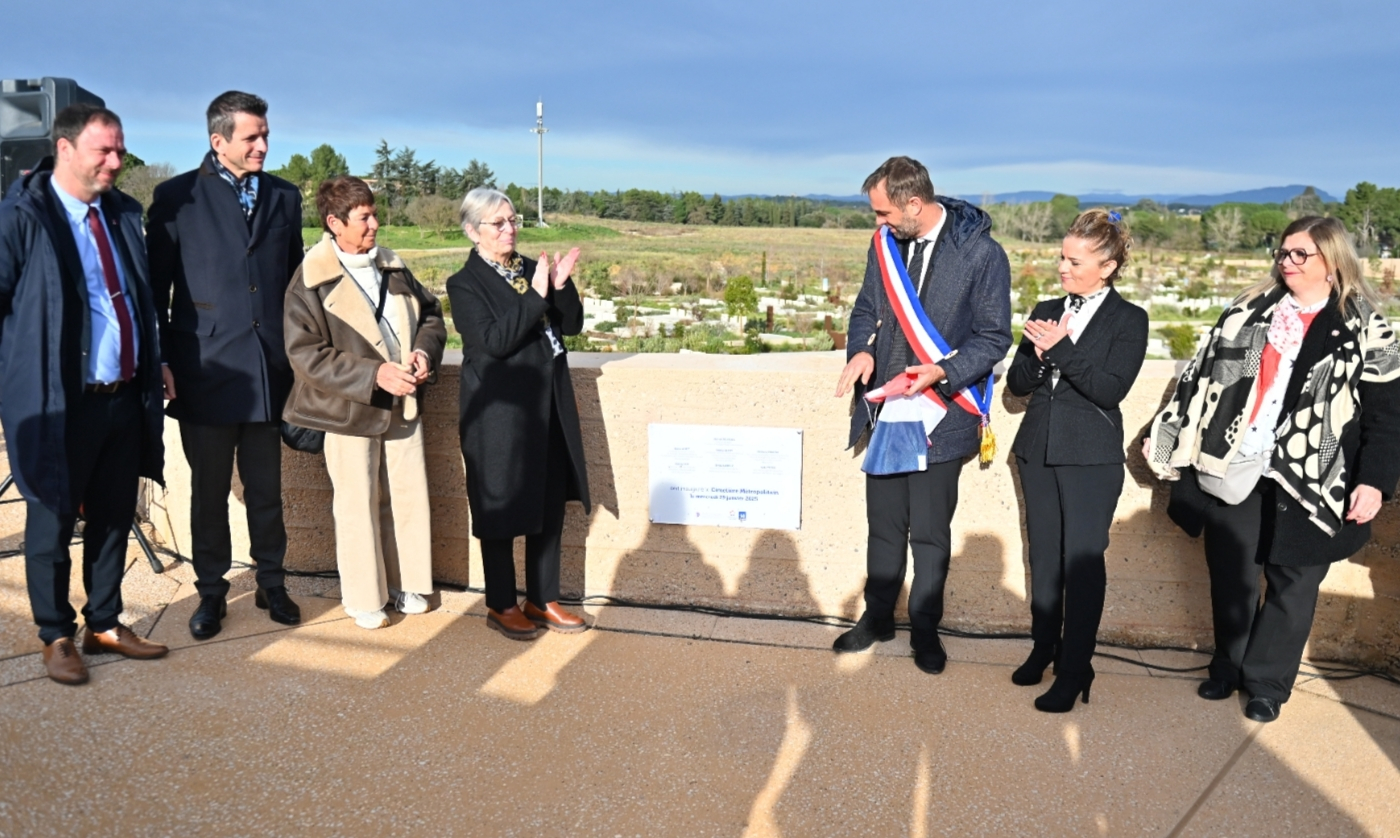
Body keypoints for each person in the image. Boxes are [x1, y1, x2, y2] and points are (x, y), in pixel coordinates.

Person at [1144, 216, 1400, 723]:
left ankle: (1266, 685)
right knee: (1232, 575)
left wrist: (1373, 481)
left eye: (1300, 254)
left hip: (1314, 479)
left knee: (1294, 584)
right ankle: (1228, 668)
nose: (1287, 261)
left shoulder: (1368, 326)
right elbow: (1197, 380)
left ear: (1332, 262)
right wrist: (1172, 437)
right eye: (1283, 252)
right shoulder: (1246, 311)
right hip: (1234, 463)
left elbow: (1386, 415)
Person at [0, 104, 169, 684]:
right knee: (49, 522)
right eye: (105, 151)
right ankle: (55, 635)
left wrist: (157, 360)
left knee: (114, 516)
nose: (117, 163)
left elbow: (141, 300)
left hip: (123, 393)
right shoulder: (22, 216)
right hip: (56, 402)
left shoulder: (123, 213)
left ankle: (104, 621)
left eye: (121, 150)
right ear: (65, 148)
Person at [833, 157, 1012, 674]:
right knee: (883, 526)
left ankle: (927, 629)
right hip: (889, 409)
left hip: (943, 411)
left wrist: (940, 372)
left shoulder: (981, 254)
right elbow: (866, 308)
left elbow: (994, 337)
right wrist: (861, 352)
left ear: (915, 203)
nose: (878, 223)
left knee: (929, 533)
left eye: (885, 213)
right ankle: (878, 616)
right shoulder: (885, 246)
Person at [147, 91, 306, 639]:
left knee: (266, 490)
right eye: (252, 137)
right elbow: (154, 289)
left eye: (265, 135)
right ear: (219, 141)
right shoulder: (176, 198)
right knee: (209, 493)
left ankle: (272, 584)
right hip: (204, 370)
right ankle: (211, 594)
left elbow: (295, 284)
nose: (263, 145)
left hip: (268, 372)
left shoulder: (286, 197)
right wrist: (161, 360)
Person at [283, 176, 446, 629]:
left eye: (374, 213)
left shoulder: (393, 265)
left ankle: (410, 583)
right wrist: (374, 374)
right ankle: (364, 598)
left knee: (409, 496)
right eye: (364, 217)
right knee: (356, 504)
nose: (375, 224)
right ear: (335, 223)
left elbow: (432, 317)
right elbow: (305, 355)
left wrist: (423, 353)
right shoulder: (309, 280)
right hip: (348, 409)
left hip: (405, 401)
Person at [1005, 209, 1148, 712]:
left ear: (1107, 266)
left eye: (1074, 260)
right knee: (1043, 558)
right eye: (1061, 257)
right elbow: (1016, 385)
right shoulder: (1046, 306)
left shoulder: (1130, 319)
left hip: (1090, 457)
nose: (1062, 268)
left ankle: (1074, 667)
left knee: (1081, 566)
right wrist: (1037, 355)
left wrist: (1061, 348)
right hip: (1037, 449)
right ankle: (1043, 648)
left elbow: (1110, 390)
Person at [446, 188, 590, 640]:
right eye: (498, 223)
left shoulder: (533, 269)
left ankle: (543, 599)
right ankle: (502, 603)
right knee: (501, 507)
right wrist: (536, 296)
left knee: (548, 505)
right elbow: (494, 343)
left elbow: (571, 325)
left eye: (513, 220)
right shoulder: (463, 284)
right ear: (473, 231)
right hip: (499, 415)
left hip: (547, 404)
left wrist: (561, 288)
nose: (510, 229)